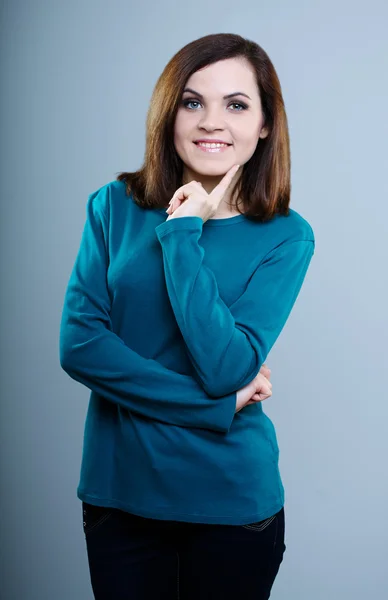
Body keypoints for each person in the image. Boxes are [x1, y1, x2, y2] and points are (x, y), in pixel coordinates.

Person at [59, 32, 315, 600]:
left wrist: (181, 234)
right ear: (170, 112)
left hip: (231, 504)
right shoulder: (114, 206)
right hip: (119, 498)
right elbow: (80, 346)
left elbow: (226, 364)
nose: (211, 122)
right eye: (193, 101)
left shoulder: (286, 237)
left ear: (265, 125)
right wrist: (214, 406)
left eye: (237, 105)